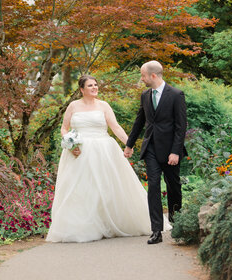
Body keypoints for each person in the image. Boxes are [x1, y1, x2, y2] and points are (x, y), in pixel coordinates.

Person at [46, 74, 152, 242]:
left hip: (103, 150)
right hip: (79, 152)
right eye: (90, 85)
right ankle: (84, 226)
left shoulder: (104, 105)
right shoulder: (73, 106)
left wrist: (128, 144)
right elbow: (64, 128)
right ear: (82, 89)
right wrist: (71, 145)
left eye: (95, 84)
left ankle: (110, 222)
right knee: (82, 188)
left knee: (106, 186)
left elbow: (115, 127)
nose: (94, 87)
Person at [124, 61, 187, 245]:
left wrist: (175, 151)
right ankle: (156, 231)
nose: (141, 79)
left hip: (170, 151)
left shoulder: (176, 95)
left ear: (153, 76)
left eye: (143, 75)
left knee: (173, 187)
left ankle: (177, 225)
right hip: (150, 147)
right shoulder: (145, 95)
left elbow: (180, 126)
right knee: (153, 186)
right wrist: (129, 145)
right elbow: (139, 122)